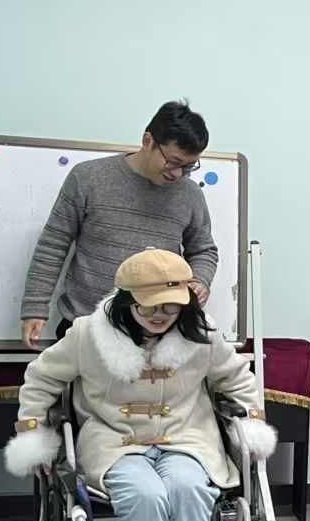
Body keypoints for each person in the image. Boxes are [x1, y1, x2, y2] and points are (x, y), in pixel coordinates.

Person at [3, 250, 275, 521]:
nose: (160, 315)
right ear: (127, 300)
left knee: (188, 489)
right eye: (149, 306)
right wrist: (34, 433)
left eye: (171, 306)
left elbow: (238, 378)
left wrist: (251, 423)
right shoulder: (88, 334)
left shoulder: (202, 335)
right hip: (114, 442)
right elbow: (41, 378)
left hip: (187, 438)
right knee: (145, 496)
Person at [20, 100, 218, 347]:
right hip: (86, 326)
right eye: (173, 162)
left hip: (158, 331)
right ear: (148, 141)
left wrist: (199, 280)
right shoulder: (88, 177)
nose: (178, 174)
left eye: (188, 167)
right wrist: (35, 307)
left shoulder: (190, 195)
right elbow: (53, 244)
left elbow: (203, 250)